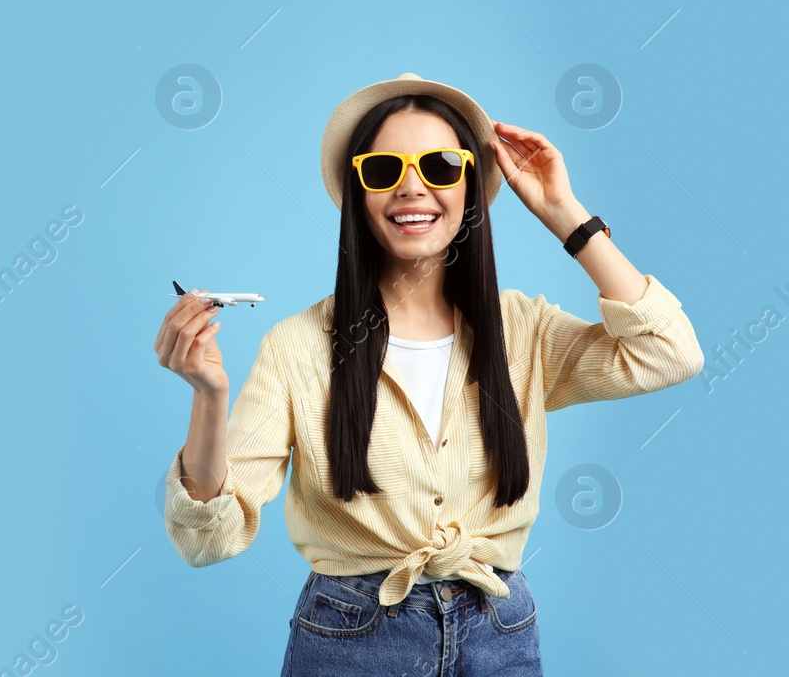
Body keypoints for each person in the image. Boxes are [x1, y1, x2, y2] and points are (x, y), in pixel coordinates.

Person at [154, 73, 705, 674]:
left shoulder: (522, 330)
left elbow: (671, 353)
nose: (412, 187)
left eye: (440, 166)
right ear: (358, 190)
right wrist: (208, 395)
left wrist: (564, 215)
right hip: (351, 639)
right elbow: (207, 539)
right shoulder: (298, 347)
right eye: (384, 169)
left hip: (501, 633)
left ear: (469, 184)